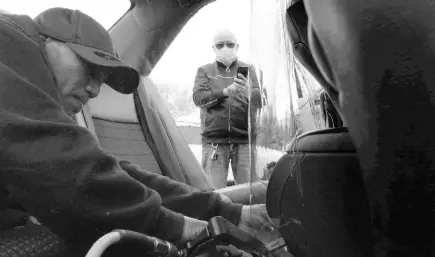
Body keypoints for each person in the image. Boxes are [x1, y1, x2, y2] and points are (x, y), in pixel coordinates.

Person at [0, 8, 273, 255]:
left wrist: (229, 212)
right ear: (50, 42)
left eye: (102, 79)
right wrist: (177, 227)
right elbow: (66, 174)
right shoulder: (8, 42)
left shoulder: (36, 112)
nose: (95, 90)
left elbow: (113, 172)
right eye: (90, 69)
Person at [193, 29, 263, 189]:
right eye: (220, 44)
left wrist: (248, 93)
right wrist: (225, 92)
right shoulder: (204, 70)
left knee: (249, 193)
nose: (225, 48)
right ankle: (215, 215)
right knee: (213, 193)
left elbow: (261, 100)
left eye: (230, 44)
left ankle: (247, 215)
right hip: (214, 142)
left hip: (245, 141)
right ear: (214, 48)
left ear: (237, 47)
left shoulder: (250, 69)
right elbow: (199, 98)